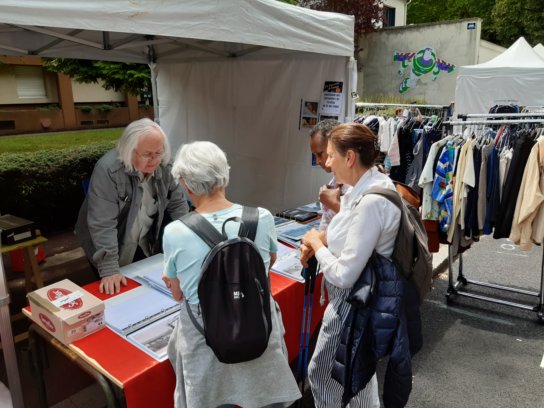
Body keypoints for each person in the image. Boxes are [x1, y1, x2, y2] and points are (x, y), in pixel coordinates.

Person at [162, 141, 301, 408]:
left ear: (185, 184)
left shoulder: (175, 231)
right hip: (257, 329)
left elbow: (178, 294)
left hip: (206, 346)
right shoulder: (262, 217)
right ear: (225, 175)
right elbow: (267, 265)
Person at [300, 122, 401, 407]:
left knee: (326, 377)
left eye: (330, 155)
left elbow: (345, 274)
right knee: (357, 378)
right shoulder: (372, 185)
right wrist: (320, 239)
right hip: (363, 298)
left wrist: (317, 245)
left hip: (353, 303)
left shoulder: (369, 200)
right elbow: (350, 235)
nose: (327, 163)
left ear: (350, 158)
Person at [75, 118, 190, 295]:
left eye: (158, 153)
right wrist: (109, 270)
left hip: (143, 237)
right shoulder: (108, 170)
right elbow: (102, 223)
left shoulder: (165, 164)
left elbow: (178, 205)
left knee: (147, 286)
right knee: (115, 289)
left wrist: (188, 242)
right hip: (106, 241)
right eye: (147, 154)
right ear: (129, 151)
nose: (154, 160)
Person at [309, 119, 347, 232]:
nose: (318, 161)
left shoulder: (358, 183)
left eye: (320, 154)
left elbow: (359, 226)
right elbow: (327, 226)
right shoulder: (334, 182)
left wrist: (332, 203)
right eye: (315, 155)